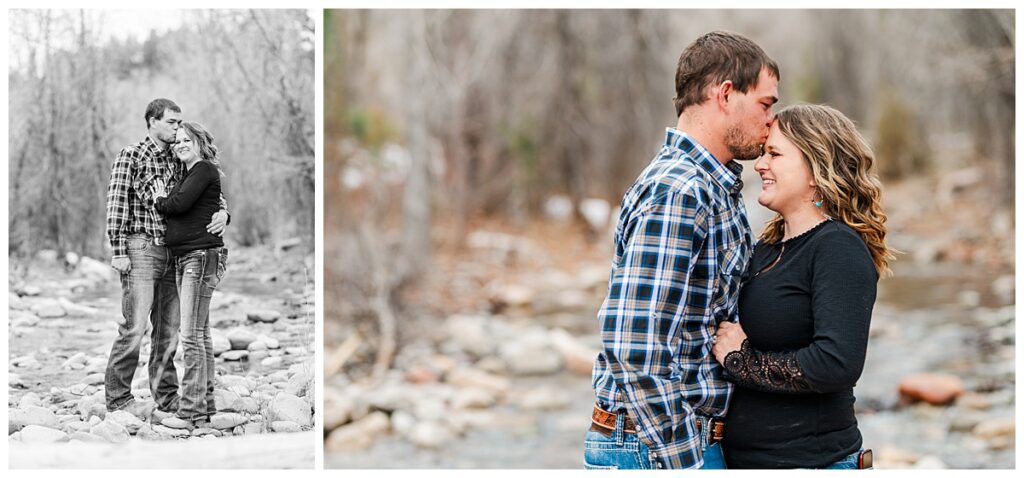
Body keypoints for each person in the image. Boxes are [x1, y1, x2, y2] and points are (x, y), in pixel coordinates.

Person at [586, 31, 779, 469]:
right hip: (657, 449)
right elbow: (634, 344)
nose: (771, 120)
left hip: (673, 442)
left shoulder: (711, 185)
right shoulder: (680, 189)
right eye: (766, 104)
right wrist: (682, 459)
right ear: (726, 94)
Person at [712, 104, 895, 469]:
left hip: (813, 464)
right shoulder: (766, 249)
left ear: (815, 167)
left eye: (774, 154)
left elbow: (835, 363)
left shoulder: (837, 247)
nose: (760, 164)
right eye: (763, 153)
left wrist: (741, 360)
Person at [104, 98, 229, 418]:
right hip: (142, 249)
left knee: (169, 330)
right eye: (172, 122)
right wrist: (118, 251)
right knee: (133, 328)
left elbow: (207, 190)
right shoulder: (131, 155)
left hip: (178, 254)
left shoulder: (180, 157)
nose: (177, 129)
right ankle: (119, 398)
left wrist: (224, 213)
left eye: (180, 123)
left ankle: (167, 397)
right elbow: (116, 204)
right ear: (152, 122)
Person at [150, 121, 229, 429]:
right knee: (202, 335)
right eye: (178, 140)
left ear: (199, 142)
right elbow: (205, 206)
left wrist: (160, 198)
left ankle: (191, 412)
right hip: (189, 257)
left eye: (187, 140)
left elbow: (178, 205)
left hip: (200, 257)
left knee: (191, 336)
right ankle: (205, 405)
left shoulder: (203, 170)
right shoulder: (190, 172)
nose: (181, 144)